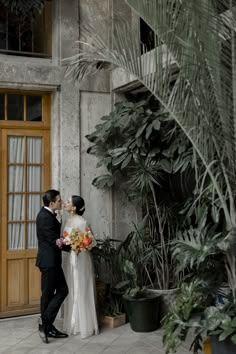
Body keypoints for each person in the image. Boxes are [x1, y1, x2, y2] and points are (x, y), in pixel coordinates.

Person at [36, 189, 70, 344]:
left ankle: (47, 325)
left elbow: (56, 237)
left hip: (53, 262)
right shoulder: (44, 216)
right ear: (51, 203)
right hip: (49, 262)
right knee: (51, 293)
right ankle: (45, 323)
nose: (61, 202)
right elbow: (53, 240)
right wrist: (72, 246)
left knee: (60, 291)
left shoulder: (50, 215)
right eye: (59, 200)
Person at [62, 195, 99, 338]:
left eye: (68, 202)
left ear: (75, 207)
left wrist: (80, 246)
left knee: (81, 288)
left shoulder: (82, 222)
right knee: (72, 287)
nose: (65, 203)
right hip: (70, 258)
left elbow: (91, 242)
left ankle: (85, 325)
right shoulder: (67, 220)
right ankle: (74, 323)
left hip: (81, 259)